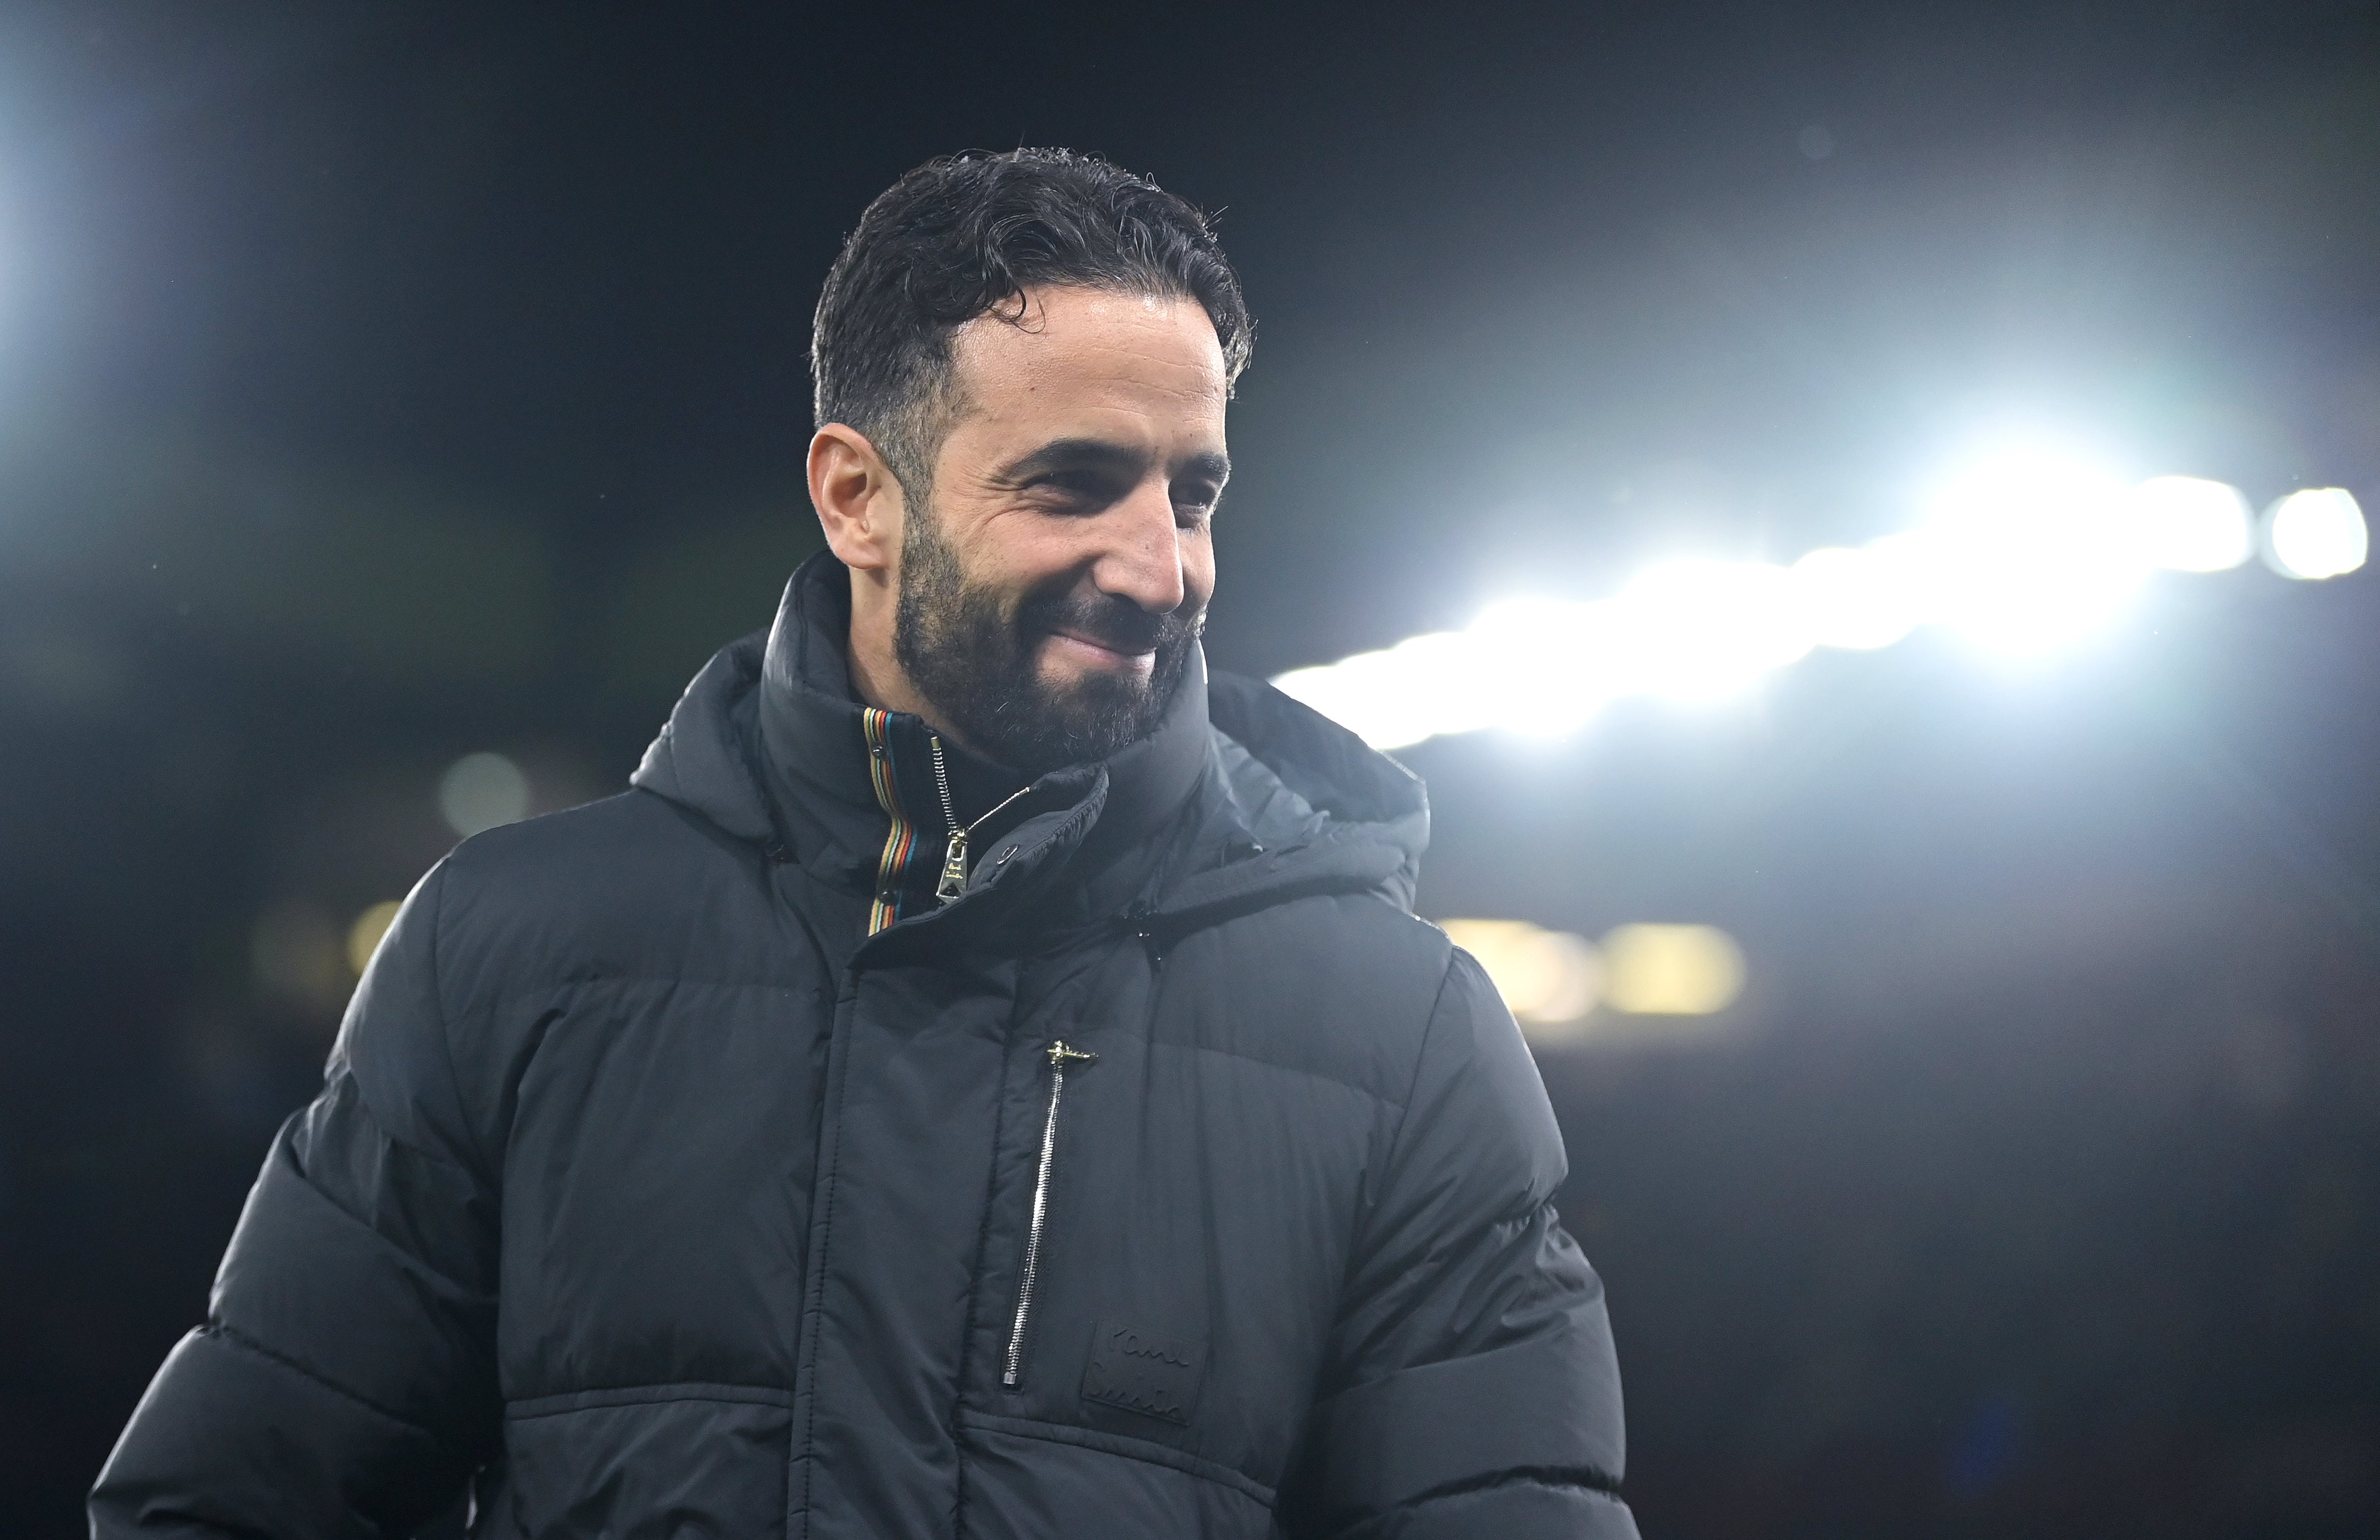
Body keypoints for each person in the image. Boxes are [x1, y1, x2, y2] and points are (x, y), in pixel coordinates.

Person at [91, 148, 1637, 1539]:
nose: (1160, 567)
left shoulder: (1402, 1028)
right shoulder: (513, 951)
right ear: (856, 498)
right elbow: (225, 1500)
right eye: (1074, 484)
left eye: (1193, 489)